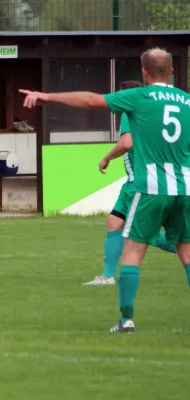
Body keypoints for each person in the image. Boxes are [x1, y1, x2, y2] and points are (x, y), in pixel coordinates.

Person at [20, 48, 190, 333]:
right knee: (187, 252)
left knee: (133, 252)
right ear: (172, 71)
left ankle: (126, 320)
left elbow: (90, 101)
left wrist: (47, 96)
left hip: (149, 187)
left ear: (144, 72)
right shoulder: (186, 101)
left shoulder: (139, 96)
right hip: (185, 188)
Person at [83, 80, 176, 286]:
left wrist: (106, 158)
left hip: (138, 182)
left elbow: (126, 143)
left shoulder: (130, 112)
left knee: (135, 231)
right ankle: (107, 276)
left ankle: (108, 277)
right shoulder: (153, 115)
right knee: (117, 223)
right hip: (146, 180)